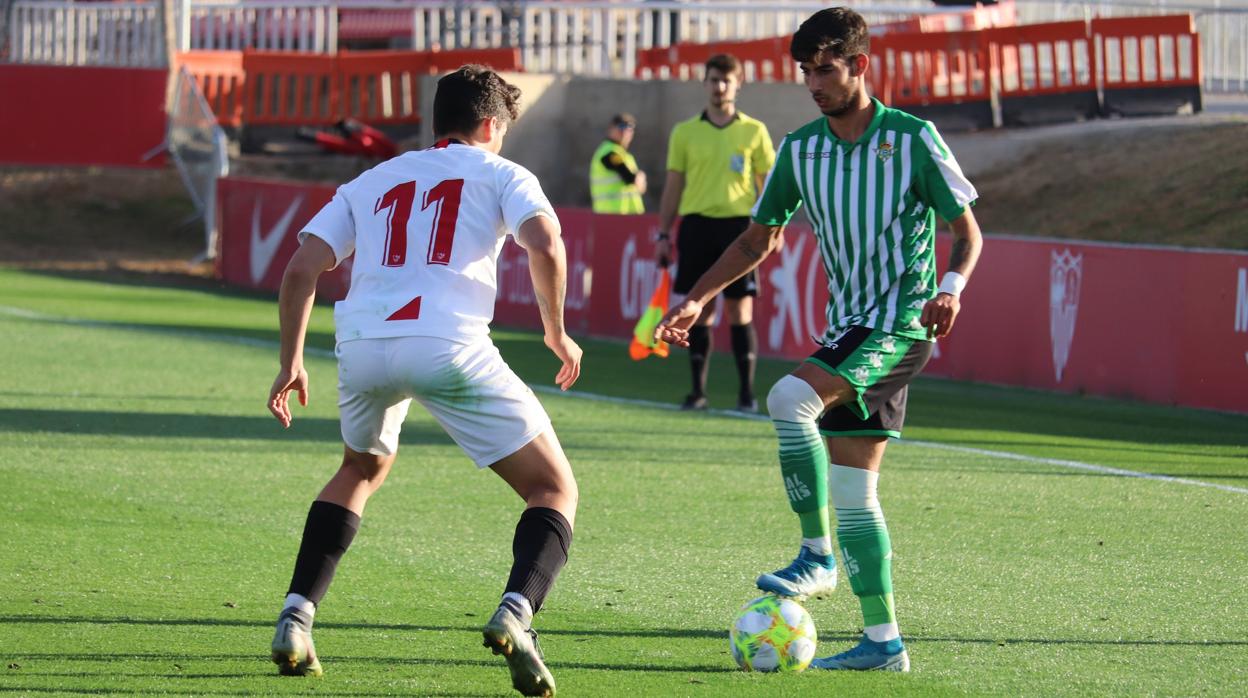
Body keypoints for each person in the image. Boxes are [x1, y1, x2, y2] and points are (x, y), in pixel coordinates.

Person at [656, 7, 983, 672]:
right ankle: (884, 642)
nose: (813, 83)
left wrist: (950, 288)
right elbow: (757, 239)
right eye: (805, 71)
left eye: (825, 69)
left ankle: (817, 554)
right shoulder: (800, 149)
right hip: (847, 328)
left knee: (787, 399)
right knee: (856, 494)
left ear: (859, 65)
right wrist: (696, 298)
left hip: (898, 324)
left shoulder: (912, 139)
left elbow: (967, 231)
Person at [265, 64, 581, 698]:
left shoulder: (372, 178)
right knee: (552, 488)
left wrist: (291, 360)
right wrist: (556, 330)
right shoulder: (502, 173)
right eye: (503, 130)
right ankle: (517, 613)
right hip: (446, 344)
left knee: (359, 469)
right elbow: (545, 243)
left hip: (363, 346)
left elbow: (301, 269)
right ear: (489, 125)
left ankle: (296, 616)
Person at [654, 53, 776, 412]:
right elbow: (673, 185)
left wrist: (774, 227)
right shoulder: (685, 132)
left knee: (740, 310)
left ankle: (747, 395)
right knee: (699, 308)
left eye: (726, 80)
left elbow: (768, 184)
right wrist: (663, 233)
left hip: (740, 228)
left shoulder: (754, 131)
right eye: (714, 80)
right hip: (696, 226)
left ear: (738, 84)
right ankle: (698, 392)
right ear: (704, 83)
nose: (720, 87)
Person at [589, 112, 646, 214]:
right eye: (621, 126)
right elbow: (629, 177)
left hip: (626, 215)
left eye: (630, 128)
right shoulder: (609, 152)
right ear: (611, 129)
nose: (625, 132)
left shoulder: (624, 154)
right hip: (610, 214)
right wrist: (639, 177)